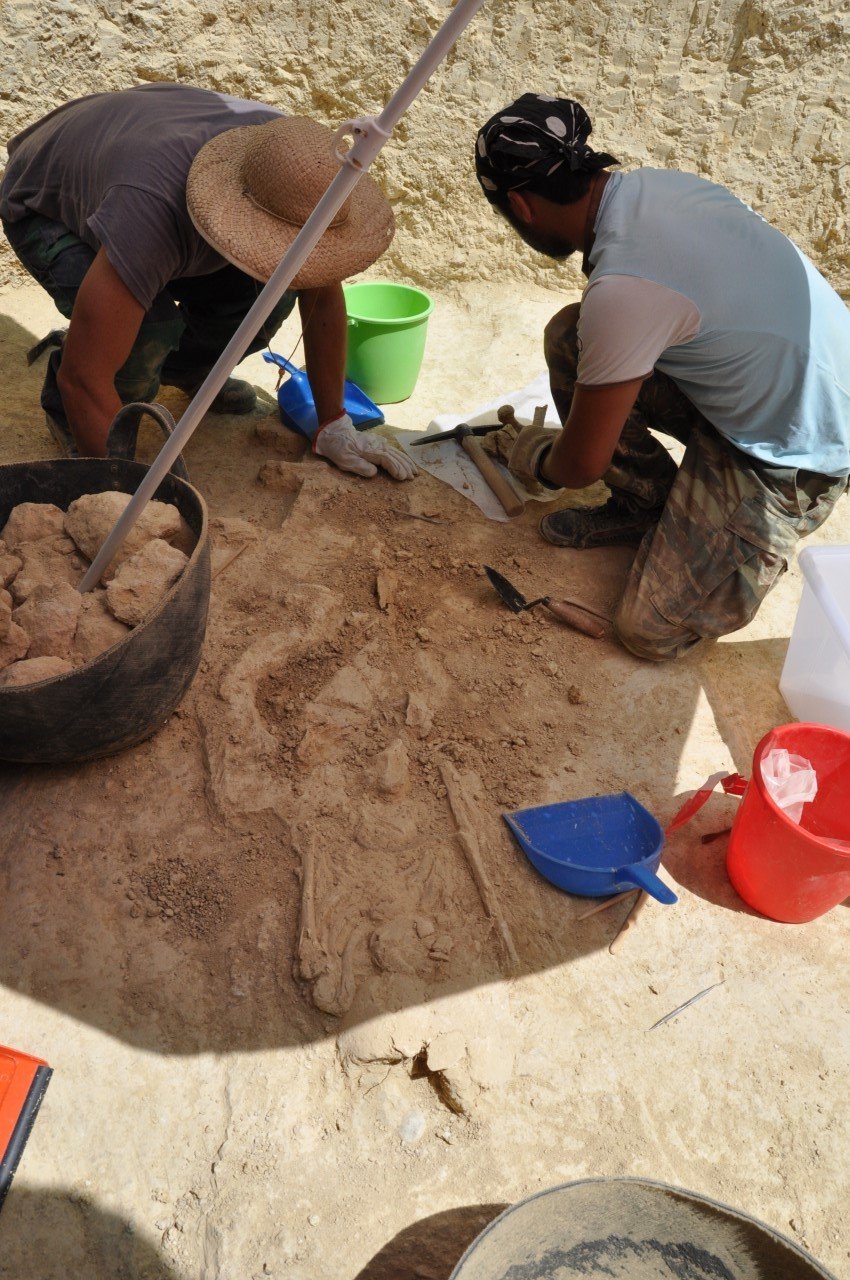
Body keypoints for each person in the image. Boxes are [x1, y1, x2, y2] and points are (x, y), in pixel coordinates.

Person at [474, 93, 850, 660]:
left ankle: (737, 521)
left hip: (797, 453)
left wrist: (536, 459)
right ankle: (649, 505)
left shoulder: (625, 287)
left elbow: (580, 465)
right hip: (774, 388)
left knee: (649, 628)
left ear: (522, 206)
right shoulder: (658, 188)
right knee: (572, 339)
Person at [0, 82, 416, 481]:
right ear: (243, 215)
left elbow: (320, 293)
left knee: (268, 294)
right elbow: (84, 379)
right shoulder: (153, 213)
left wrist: (333, 423)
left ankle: (184, 369)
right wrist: (118, 489)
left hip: (136, 149)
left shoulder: (297, 166)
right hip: (43, 202)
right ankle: (66, 413)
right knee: (146, 331)